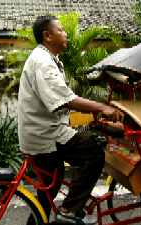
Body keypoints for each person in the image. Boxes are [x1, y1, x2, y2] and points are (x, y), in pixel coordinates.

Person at [17, 15, 123, 225]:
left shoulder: (46, 59)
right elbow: (65, 100)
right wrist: (102, 107)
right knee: (93, 153)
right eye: (61, 30)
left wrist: (93, 113)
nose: (66, 34)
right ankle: (69, 211)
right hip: (46, 136)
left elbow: (63, 98)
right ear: (48, 36)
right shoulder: (43, 62)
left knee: (47, 193)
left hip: (39, 134)